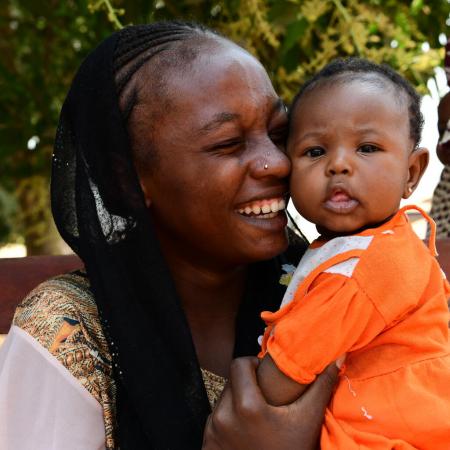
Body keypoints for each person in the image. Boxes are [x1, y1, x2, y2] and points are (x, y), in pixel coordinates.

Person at [0, 21, 341, 450]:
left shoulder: (323, 289)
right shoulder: (71, 333)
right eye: (228, 143)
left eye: (277, 133)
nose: (276, 163)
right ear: (125, 180)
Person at [256, 58, 450, 449]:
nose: (339, 165)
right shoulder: (375, 246)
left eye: (367, 147)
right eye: (314, 151)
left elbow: (275, 385)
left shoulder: (361, 269)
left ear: (411, 172)